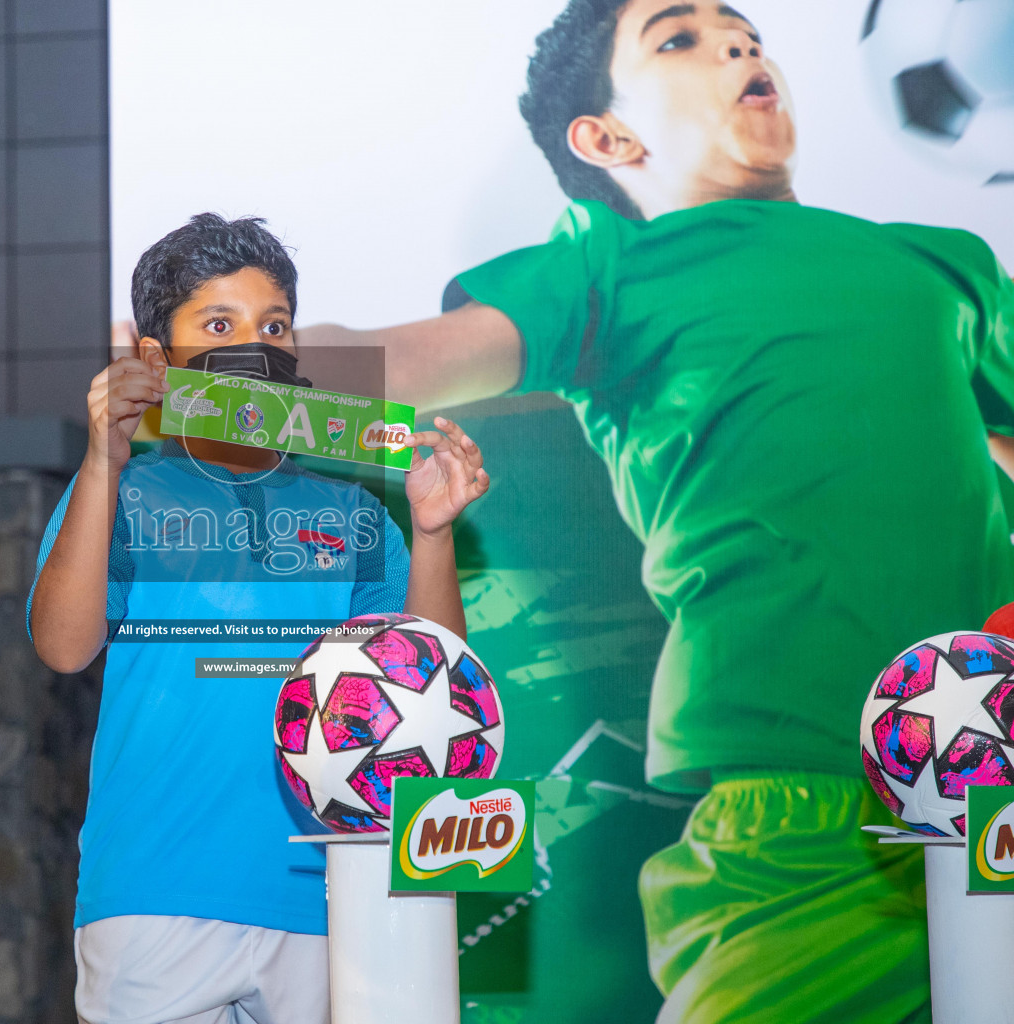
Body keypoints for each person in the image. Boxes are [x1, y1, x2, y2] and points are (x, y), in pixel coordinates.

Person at [296, 1, 1014, 1021]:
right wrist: (216, 373)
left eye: (745, 31)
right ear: (608, 137)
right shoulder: (609, 270)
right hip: (802, 819)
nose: (739, 43)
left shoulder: (946, 266)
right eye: (679, 37)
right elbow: (392, 361)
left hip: (995, 795)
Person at [28, 213, 490, 1024]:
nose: (256, 346)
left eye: (274, 325)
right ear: (154, 358)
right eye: (218, 324)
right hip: (154, 888)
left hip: (325, 889)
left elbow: (434, 682)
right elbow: (64, 648)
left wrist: (432, 530)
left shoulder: (349, 505)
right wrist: (105, 458)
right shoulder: (127, 493)